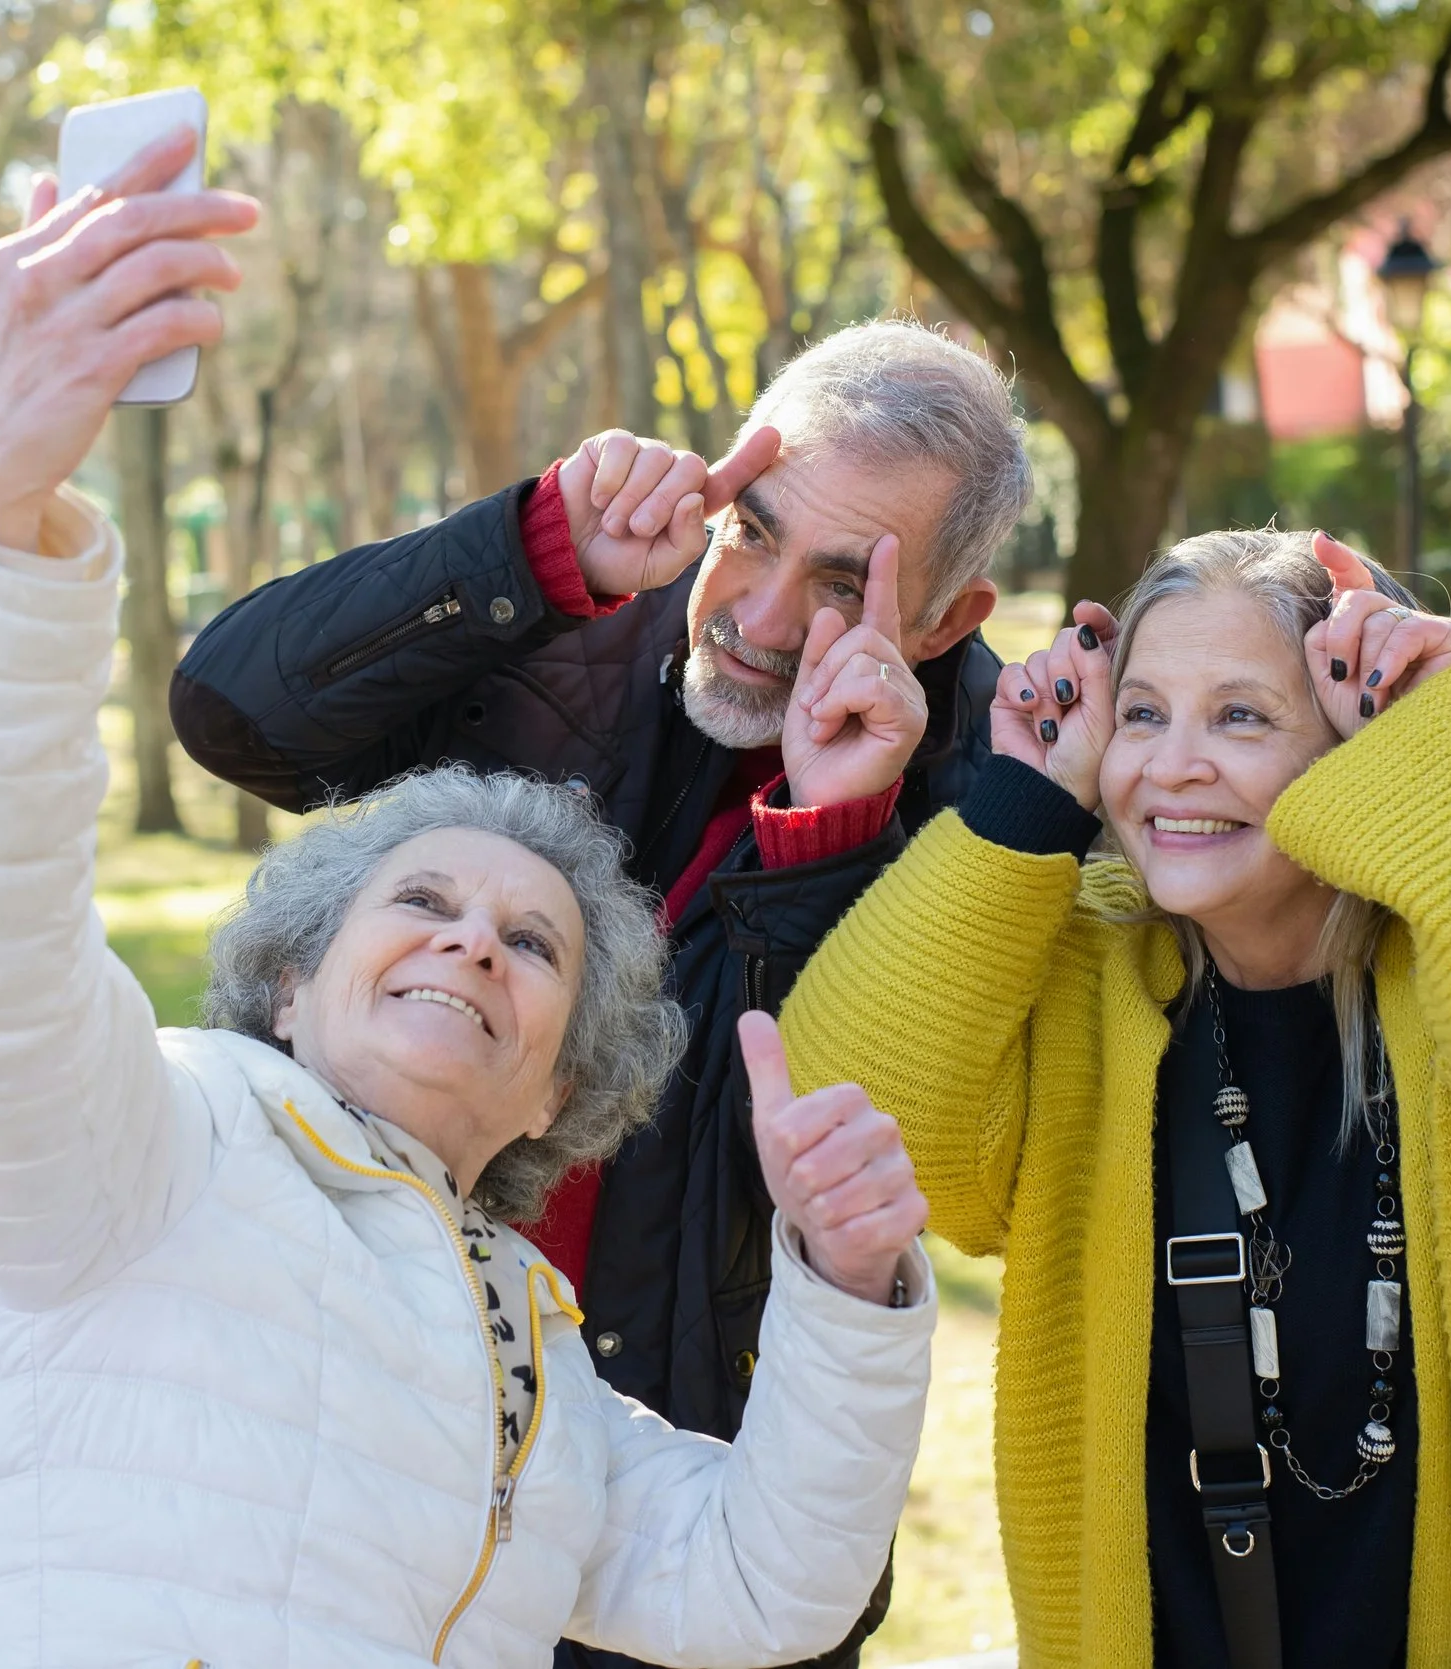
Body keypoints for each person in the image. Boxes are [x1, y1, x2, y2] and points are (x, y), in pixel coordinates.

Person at [0, 129, 940, 1667]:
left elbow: (765, 1585)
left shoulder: (537, 1363)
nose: (469, 942)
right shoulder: (153, 1154)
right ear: (292, 981)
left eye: (532, 943)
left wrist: (849, 1287)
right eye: (420, 898)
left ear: (567, 1081)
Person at [172, 235, 1028, 1668]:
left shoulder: (987, 799)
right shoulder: (580, 620)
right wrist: (529, 547)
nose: (756, 619)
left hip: (682, 1510)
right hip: (374, 1425)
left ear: (945, 619)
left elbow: (817, 1142)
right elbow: (234, 714)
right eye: (750, 527)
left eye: (839, 585)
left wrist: (830, 833)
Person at [776, 527, 1451, 1667]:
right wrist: (1025, 801)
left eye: (1239, 715)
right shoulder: (1084, 973)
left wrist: (1442, 737)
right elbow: (855, 1113)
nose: (1172, 764)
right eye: (1142, 714)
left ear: (1351, 748)